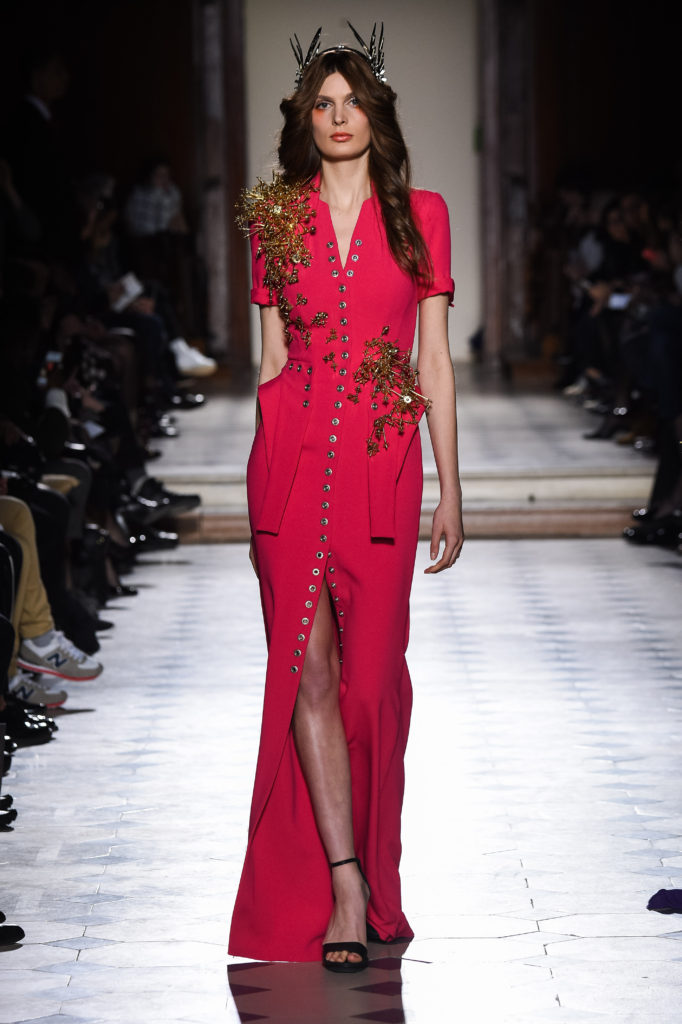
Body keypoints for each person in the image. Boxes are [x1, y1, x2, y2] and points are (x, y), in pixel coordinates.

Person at [228, 24, 463, 972]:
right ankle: (344, 884)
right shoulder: (275, 218)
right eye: (321, 105)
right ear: (305, 118)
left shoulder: (423, 215)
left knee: (370, 690)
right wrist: (260, 489)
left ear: (376, 114)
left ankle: (373, 871)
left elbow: (434, 360)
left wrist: (451, 488)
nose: (336, 118)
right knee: (309, 676)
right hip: (290, 464)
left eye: (350, 102)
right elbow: (273, 360)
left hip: (380, 464)